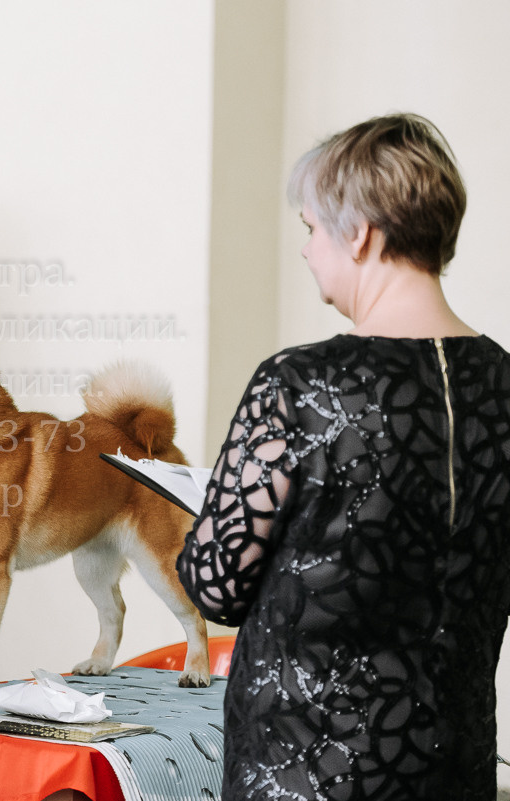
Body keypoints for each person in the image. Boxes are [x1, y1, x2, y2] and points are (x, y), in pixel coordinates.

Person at [176, 113, 510, 800]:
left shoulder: (300, 385)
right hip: (457, 770)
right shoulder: (505, 383)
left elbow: (215, 585)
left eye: (310, 229)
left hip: (307, 774)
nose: (306, 250)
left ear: (358, 233)